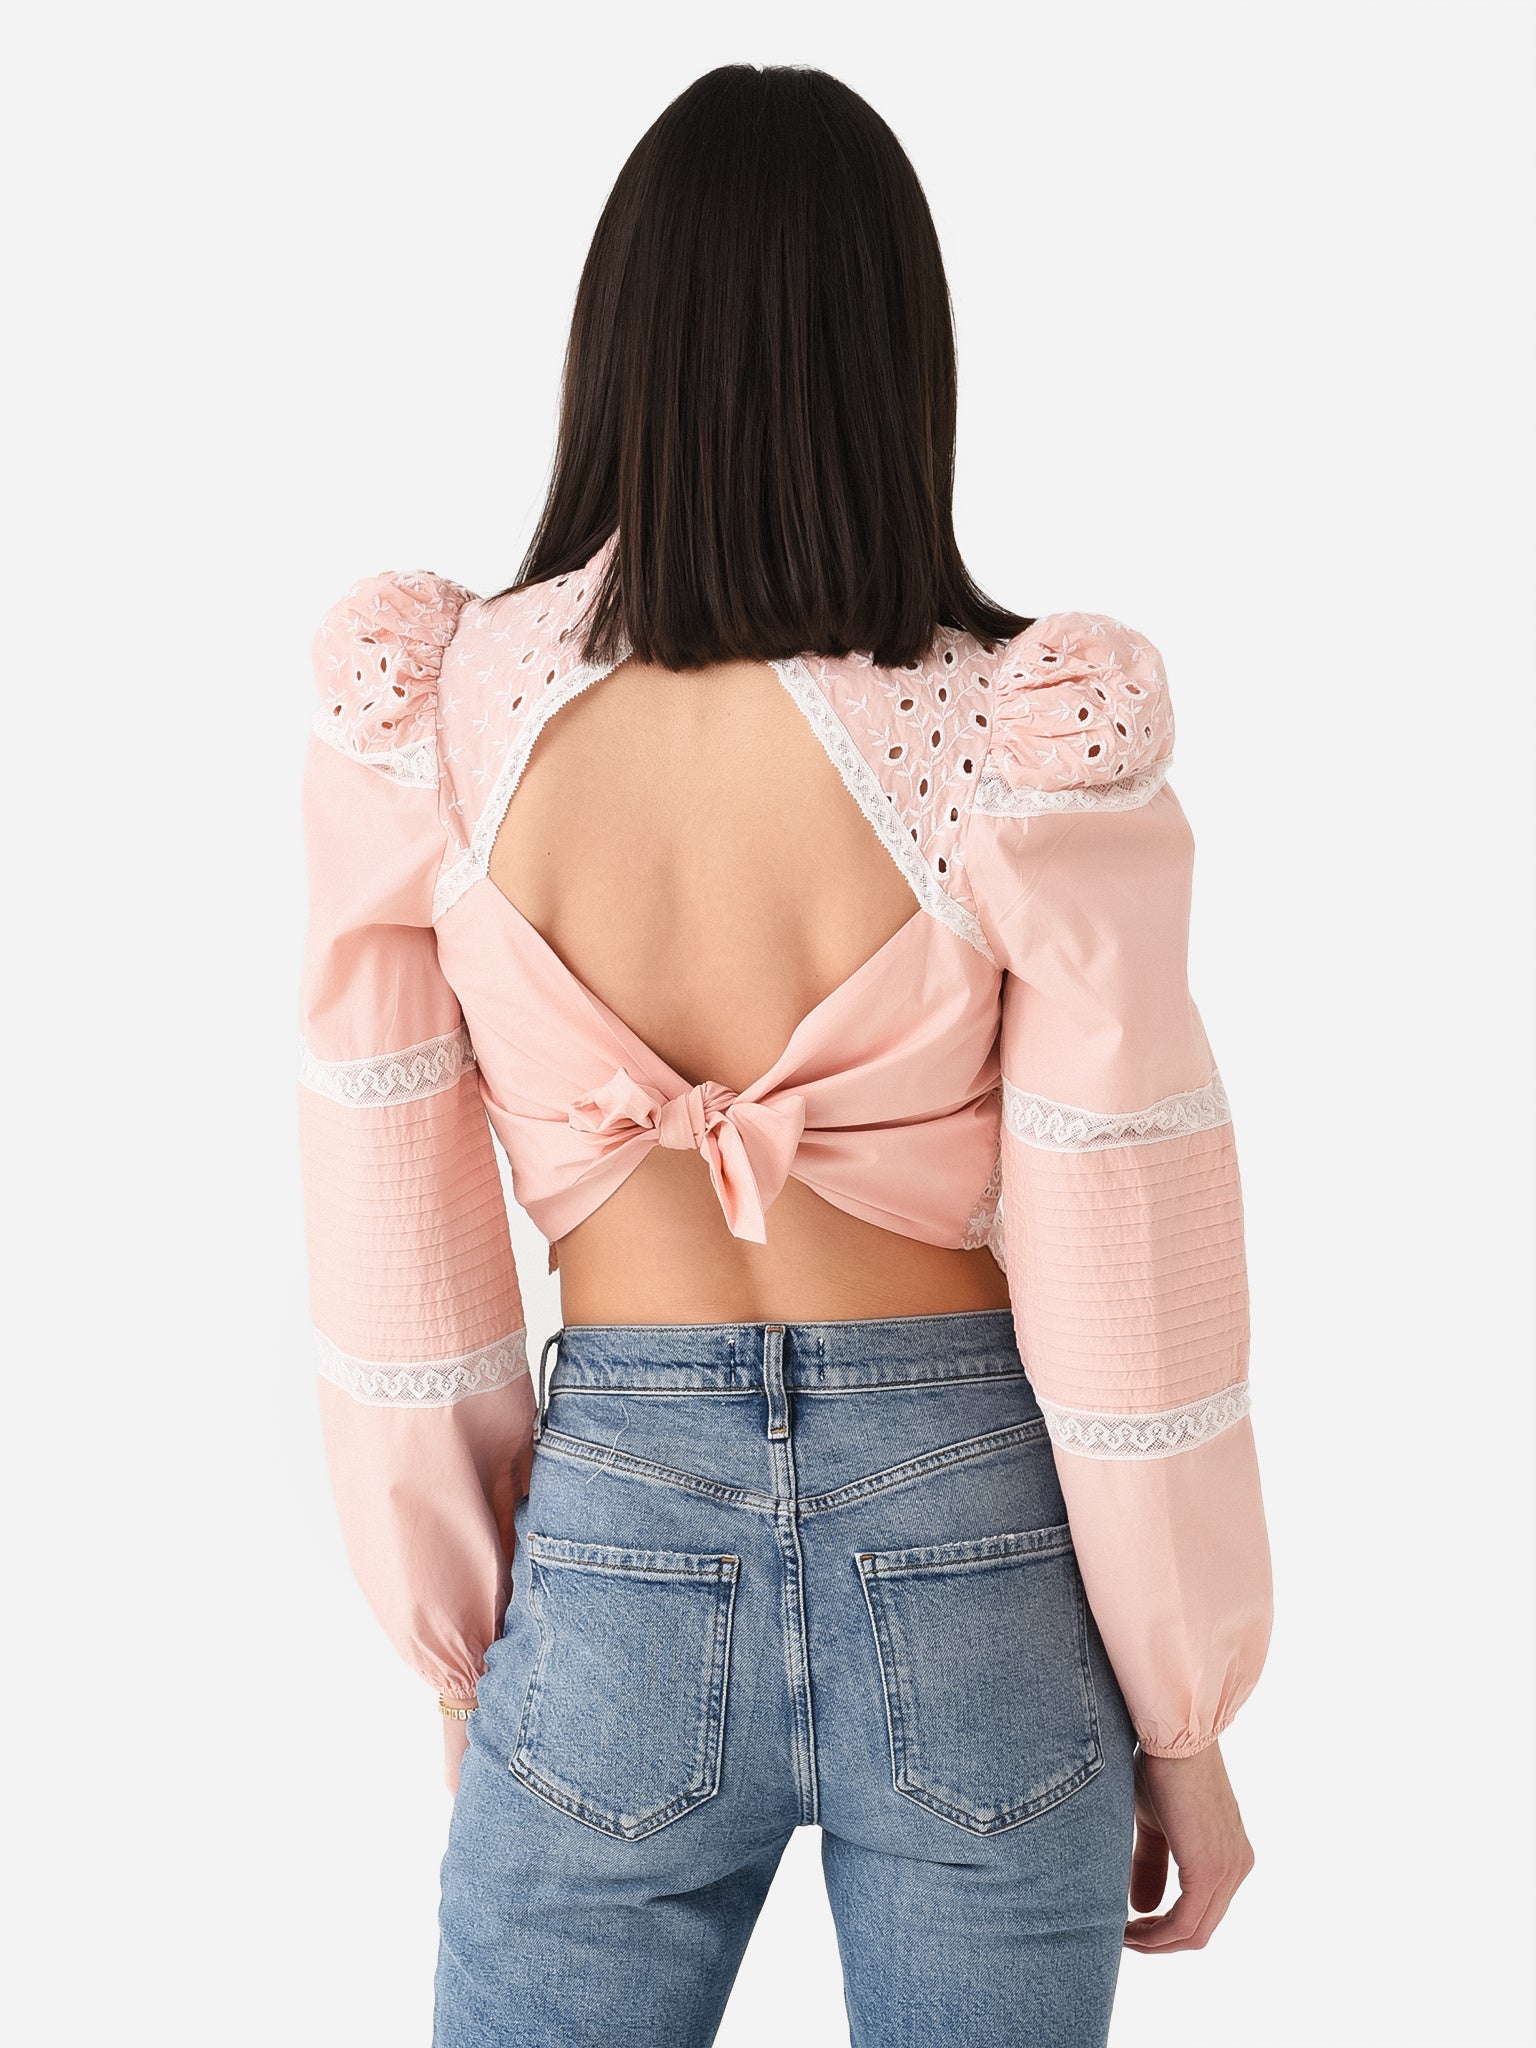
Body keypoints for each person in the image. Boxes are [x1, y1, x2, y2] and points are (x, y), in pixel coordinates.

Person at [297, 62, 1271, 2048]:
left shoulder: (441, 719)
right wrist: (1184, 1720)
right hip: (975, 1535)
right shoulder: (1017, 733)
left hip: (613, 1540)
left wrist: (471, 1658)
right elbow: (1128, 1279)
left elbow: (394, 1251)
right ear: (898, 358)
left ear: (619, 343)